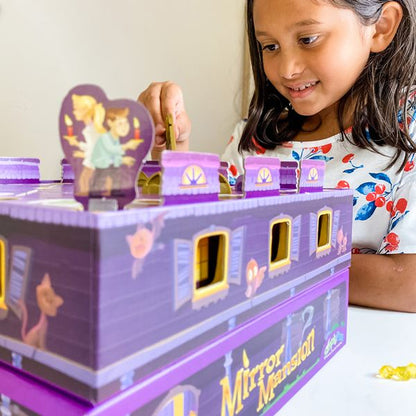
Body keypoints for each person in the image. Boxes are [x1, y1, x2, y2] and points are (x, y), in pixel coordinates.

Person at [138, 0, 416, 312]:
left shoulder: (410, 127)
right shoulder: (256, 137)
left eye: (308, 39)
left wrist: (269, 261)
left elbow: (408, 284)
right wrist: (171, 151)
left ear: (381, 26)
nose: (287, 69)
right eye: (270, 46)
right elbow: (201, 245)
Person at [90, 107, 141, 196]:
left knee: (116, 175)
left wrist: (121, 159)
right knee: (100, 178)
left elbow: (115, 154)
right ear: (110, 123)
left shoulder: (116, 138)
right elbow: (111, 150)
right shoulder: (104, 137)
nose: (124, 127)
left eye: (126, 123)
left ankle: (115, 191)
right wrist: (126, 147)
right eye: (120, 123)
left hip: (112, 164)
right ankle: (95, 191)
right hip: (102, 164)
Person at [71, 94, 106, 195]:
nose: (74, 112)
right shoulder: (90, 127)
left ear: (85, 111)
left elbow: (95, 146)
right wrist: (78, 144)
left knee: (85, 179)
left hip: (95, 159)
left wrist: (83, 153)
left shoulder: (93, 129)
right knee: (84, 180)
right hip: (92, 158)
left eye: (76, 109)